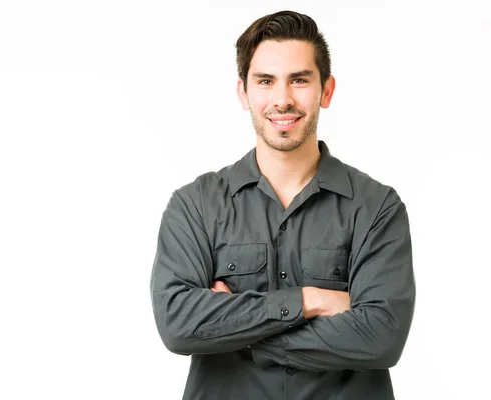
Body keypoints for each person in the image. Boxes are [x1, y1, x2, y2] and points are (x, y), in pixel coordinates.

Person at [150, 10, 415, 400]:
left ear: (326, 90)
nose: (282, 99)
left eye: (299, 80)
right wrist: (311, 301)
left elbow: (381, 337)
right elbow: (177, 324)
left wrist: (238, 334)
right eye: (266, 81)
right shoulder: (196, 206)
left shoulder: (376, 208)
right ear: (244, 93)